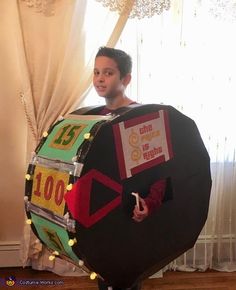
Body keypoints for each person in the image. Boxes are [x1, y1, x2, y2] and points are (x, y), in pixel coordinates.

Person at [93, 46, 166, 290]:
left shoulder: (142, 117)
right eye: (96, 72)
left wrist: (150, 203)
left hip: (129, 214)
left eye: (108, 73)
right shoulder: (94, 118)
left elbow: (160, 171)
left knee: (127, 279)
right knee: (104, 276)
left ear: (126, 79)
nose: (100, 79)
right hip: (102, 214)